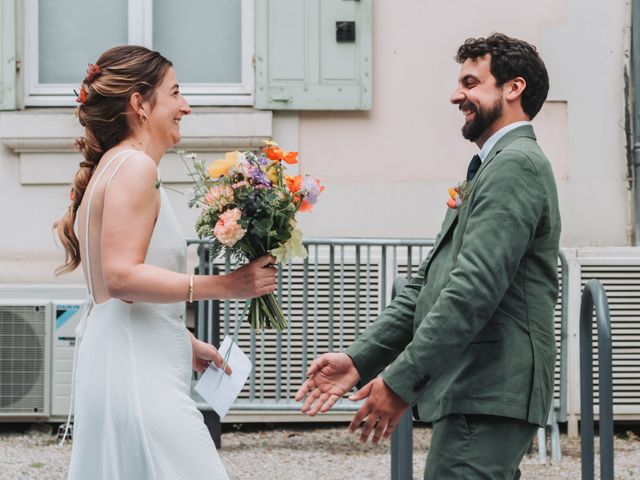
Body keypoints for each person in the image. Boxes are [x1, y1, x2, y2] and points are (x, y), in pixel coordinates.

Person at [295, 33, 560, 479]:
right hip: (476, 387)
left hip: (489, 384)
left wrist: (399, 382)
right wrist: (360, 360)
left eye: (472, 83)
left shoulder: (516, 165)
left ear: (513, 88)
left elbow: (472, 292)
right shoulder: (491, 166)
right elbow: (425, 285)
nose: (458, 95)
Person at [54, 45, 277, 480]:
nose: (186, 107)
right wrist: (228, 285)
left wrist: (185, 342)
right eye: (175, 93)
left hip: (122, 362)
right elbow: (119, 278)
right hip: (138, 376)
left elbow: (115, 292)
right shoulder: (134, 167)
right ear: (139, 103)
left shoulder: (112, 168)